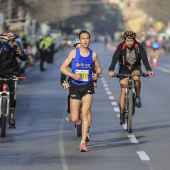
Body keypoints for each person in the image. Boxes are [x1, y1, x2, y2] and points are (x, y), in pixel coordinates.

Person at [60, 30, 102, 152]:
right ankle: (77, 122)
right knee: (74, 118)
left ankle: (83, 142)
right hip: (75, 86)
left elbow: (99, 69)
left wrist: (96, 75)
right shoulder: (74, 53)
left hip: (88, 86)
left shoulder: (93, 54)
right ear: (79, 39)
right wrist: (72, 75)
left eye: (87, 38)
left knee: (85, 113)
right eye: (82, 38)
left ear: (89, 40)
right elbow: (62, 68)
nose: (85, 40)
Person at [108, 31, 154, 125]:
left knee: (137, 78)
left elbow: (144, 59)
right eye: (127, 40)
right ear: (125, 40)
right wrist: (111, 70)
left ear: (134, 40)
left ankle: (137, 97)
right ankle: (121, 115)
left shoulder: (139, 46)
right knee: (123, 88)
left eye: (131, 41)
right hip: (124, 68)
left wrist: (149, 70)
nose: (129, 43)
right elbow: (115, 58)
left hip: (135, 67)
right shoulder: (121, 46)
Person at [0, 32, 28, 128]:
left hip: (12, 74)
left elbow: (24, 58)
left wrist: (21, 54)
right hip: (0, 74)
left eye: (14, 41)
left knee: (12, 95)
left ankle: (11, 117)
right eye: (11, 41)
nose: (13, 43)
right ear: (5, 42)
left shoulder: (15, 48)